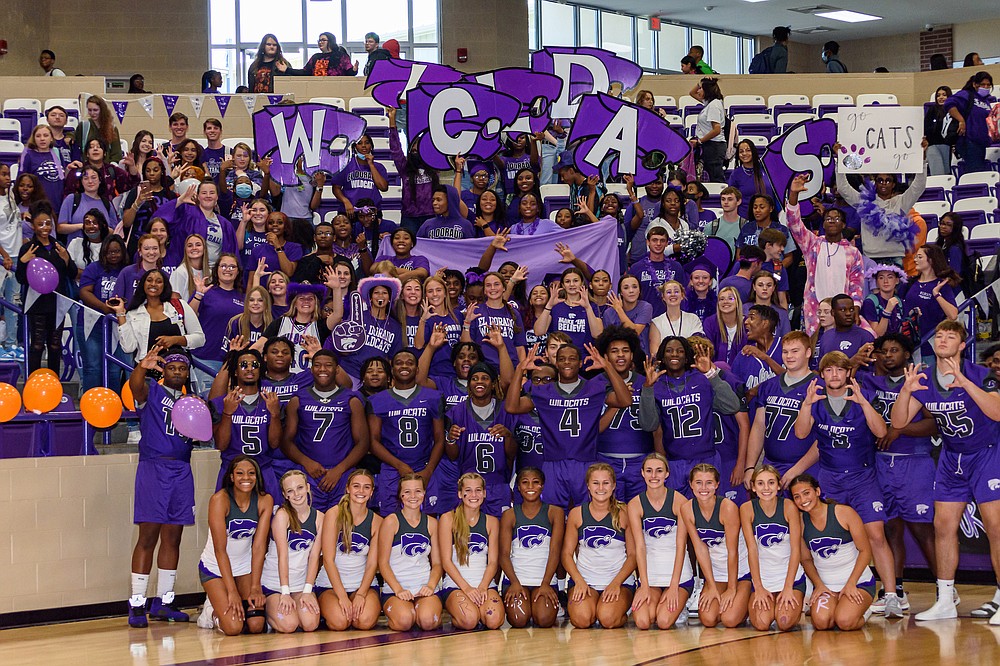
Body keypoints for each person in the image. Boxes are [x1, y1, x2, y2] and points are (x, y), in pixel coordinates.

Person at [891, 320, 1000, 623]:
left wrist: (965, 383)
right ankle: (945, 599)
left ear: (962, 345)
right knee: (943, 526)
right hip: (953, 457)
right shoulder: (923, 378)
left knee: (996, 526)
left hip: (987, 453)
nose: (942, 339)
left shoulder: (981, 374)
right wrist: (906, 391)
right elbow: (898, 423)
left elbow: (997, 412)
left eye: (950, 336)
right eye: (938, 335)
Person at [792, 351, 903, 617]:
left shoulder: (862, 398)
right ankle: (823, 589)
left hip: (862, 476)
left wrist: (864, 403)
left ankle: (890, 596)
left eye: (840, 371)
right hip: (831, 477)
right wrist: (806, 405)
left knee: (875, 533)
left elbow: (881, 432)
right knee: (825, 534)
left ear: (847, 374)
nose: (834, 375)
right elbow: (801, 433)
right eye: (829, 371)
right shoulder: (815, 401)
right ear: (822, 374)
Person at [860, 333, 939, 613]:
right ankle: (897, 590)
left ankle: (945, 590)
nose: (888, 355)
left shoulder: (920, 381)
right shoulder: (869, 380)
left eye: (895, 350)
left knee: (922, 529)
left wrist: (899, 429)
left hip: (913, 460)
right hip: (880, 463)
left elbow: (934, 425)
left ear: (908, 354)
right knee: (890, 528)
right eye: (883, 351)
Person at [506, 343, 632, 511]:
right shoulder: (543, 391)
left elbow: (625, 401)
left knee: (589, 513)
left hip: (586, 462)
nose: (567, 363)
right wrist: (520, 370)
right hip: (553, 463)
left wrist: (608, 367)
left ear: (580, 363)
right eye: (562, 359)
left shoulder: (594, 387)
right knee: (554, 515)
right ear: (556, 363)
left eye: (572, 359)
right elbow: (512, 407)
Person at [126, 345, 198, 627]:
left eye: (182, 368)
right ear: (163, 371)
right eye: (172, 368)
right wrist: (142, 366)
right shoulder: (151, 392)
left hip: (181, 469)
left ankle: (164, 602)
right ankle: (136, 603)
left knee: (173, 536)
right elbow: (135, 387)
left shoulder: (193, 401)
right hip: (154, 467)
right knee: (148, 536)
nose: (178, 372)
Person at [638, 336, 741, 494]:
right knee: (680, 513)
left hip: (706, 459)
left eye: (680, 351)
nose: (674, 354)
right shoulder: (656, 386)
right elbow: (649, 425)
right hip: (675, 462)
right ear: (662, 357)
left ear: (687, 357)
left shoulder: (702, 380)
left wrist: (711, 375)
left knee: (708, 510)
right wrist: (647, 389)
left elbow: (732, 406)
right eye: (669, 351)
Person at [196, 455, 274, 635]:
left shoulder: (264, 500)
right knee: (233, 628)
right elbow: (220, 550)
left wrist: (255, 586)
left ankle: (226, 600)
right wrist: (232, 592)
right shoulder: (219, 500)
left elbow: (259, 546)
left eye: (251, 473)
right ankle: (210, 612)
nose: (246, 478)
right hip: (215, 568)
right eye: (240, 473)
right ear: (231, 477)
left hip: (244, 568)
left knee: (256, 626)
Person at [282, 350, 369, 510]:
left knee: (342, 526)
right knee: (308, 526)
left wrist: (339, 470)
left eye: (328, 365)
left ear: (336, 369)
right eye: (317, 365)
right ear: (311, 369)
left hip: (342, 474)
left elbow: (363, 443)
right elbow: (286, 441)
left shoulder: (351, 400)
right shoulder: (297, 399)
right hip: (309, 474)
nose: (323, 369)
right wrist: (306, 462)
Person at [791, 475, 876, 631]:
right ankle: (837, 604)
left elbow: (865, 551)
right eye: (797, 497)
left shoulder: (844, 513)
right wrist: (819, 585)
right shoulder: (801, 522)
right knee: (821, 623)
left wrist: (851, 584)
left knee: (844, 622)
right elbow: (806, 560)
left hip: (857, 582)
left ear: (817, 491)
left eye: (806, 493)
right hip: (827, 586)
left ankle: (864, 613)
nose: (803, 499)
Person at [369, 349, 445, 514]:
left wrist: (429, 470)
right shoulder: (376, 400)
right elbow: (373, 442)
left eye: (410, 363)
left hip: (424, 466)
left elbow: (440, 439)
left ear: (417, 369)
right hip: (392, 469)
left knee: (428, 522)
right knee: (389, 522)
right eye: (399, 363)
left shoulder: (434, 397)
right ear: (392, 368)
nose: (404, 366)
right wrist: (399, 465)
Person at [785, 175, 864, 334]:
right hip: (815, 308)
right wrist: (793, 195)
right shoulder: (812, 244)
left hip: (842, 310)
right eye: (828, 218)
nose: (832, 221)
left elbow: (856, 284)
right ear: (823, 223)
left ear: (843, 225)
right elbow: (794, 224)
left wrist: (855, 307)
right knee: (816, 350)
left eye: (837, 219)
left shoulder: (853, 252)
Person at [563, 463, 636, 628]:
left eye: (606, 483)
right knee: (581, 620)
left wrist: (616, 583)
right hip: (585, 580)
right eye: (596, 483)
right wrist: (579, 581)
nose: (601, 487)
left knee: (608, 619)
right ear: (588, 485)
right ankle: (595, 605)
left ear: (614, 485)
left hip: (618, 581)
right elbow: (566, 554)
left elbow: (633, 555)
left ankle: (621, 609)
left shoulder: (624, 512)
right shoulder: (577, 514)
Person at [627, 453, 694, 629]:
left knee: (664, 622)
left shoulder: (680, 501)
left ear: (667, 474)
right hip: (651, 575)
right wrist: (644, 585)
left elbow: (681, 546)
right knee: (642, 621)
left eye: (659, 471)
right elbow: (640, 547)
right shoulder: (635, 504)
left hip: (678, 575)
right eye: (649, 471)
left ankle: (681, 605)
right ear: (642, 473)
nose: (654, 476)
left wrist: (673, 587)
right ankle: (657, 602)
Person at [744, 331, 818, 488]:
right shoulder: (769, 385)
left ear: (808, 352)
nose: (789, 356)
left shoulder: (819, 388)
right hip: (771, 466)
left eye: (795, 351)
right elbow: (758, 426)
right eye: (785, 351)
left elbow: (822, 440)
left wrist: (796, 470)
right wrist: (750, 467)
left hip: (805, 469)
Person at [682, 463, 751, 628]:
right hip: (717, 573)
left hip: (740, 571)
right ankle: (728, 599)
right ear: (691, 484)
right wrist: (711, 585)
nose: (703, 487)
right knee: (708, 619)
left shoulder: (727, 507)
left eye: (709, 482)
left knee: (730, 619)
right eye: (698, 482)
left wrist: (732, 588)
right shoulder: (687, 509)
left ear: (717, 484)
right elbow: (700, 549)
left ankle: (745, 604)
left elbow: (732, 551)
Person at [208, 347, 283, 498]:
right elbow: (221, 445)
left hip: (263, 471)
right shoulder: (221, 403)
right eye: (244, 365)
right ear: (235, 371)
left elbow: (274, 444)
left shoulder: (272, 402)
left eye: (255, 365)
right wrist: (227, 413)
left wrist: (274, 414)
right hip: (232, 471)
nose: (249, 369)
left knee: (269, 520)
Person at [444, 363, 516, 516]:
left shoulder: (506, 410)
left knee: (499, 533)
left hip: (498, 484)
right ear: (469, 384)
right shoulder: (457, 411)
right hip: (470, 486)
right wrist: (450, 439)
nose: (479, 382)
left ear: (493, 384)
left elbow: (512, 454)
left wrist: (508, 436)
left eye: (485, 378)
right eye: (475, 379)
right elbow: (452, 455)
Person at [741, 465, 805, 632]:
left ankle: (794, 603)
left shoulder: (789, 506)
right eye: (760, 483)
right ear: (753, 487)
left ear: (778, 485)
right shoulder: (747, 509)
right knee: (761, 624)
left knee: (784, 622)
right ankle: (768, 604)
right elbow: (752, 550)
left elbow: (796, 550)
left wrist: (788, 587)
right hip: (764, 578)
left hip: (790, 577)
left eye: (771, 482)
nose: (766, 488)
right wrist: (759, 587)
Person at [317, 469, 383, 631]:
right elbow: (328, 559)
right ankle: (326, 612)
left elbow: (372, 564)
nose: (361, 491)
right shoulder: (334, 514)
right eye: (356, 486)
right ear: (348, 488)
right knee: (340, 622)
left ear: (372, 492)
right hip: (330, 585)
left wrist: (361, 594)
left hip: (362, 585)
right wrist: (342, 597)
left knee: (365, 622)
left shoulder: (377, 521)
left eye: (366, 487)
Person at [437, 473, 505, 630]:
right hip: (457, 585)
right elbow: (446, 561)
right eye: (468, 490)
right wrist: (466, 588)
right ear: (460, 494)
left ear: (484, 493)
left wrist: (482, 587)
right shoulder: (448, 519)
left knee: (494, 621)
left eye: (478, 490)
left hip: (484, 584)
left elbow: (493, 562)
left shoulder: (492, 521)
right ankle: (459, 614)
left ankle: (479, 611)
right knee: (469, 620)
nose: (474, 495)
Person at [377, 473, 444, 631]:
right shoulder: (391, 521)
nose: (413, 496)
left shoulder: (432, 523)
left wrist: (431, 585)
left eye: (418, 491)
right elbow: (382, 563)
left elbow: (437, 563)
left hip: (423, 587)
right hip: (396, 589)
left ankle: (426, 612)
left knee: (428, 621)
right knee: (405, 621)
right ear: (400, 495)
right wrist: (398, 589)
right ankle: (406, 612)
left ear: (424, 493)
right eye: (407, 492)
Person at [499, 466, 564, 628]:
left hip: (544, 580)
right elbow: (504, 554)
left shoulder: (555, 512)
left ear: (542, 485)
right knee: (518, 619)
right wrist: (514, 582)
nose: (530, 487)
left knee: (544, 619)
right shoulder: (509, 515)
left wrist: (546, 583)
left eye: (535, 482)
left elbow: (555, 551)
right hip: (516, 580)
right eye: (525, 482)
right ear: (519, 487)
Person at [260, 470, 324, 633]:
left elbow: (314, 557)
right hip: (276, 584)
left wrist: (308, 591)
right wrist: (285, 592)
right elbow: (283, 556)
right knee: (289, 625)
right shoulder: (282, 516)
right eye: (290, 491)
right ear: (285, 495)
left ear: (308, 488)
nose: (296, 494)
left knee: (310, 624)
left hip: (300, 584)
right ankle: (268, 614)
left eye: (300, 488)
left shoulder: (320, 518)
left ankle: (292, 607)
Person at [15, 202, 73, 375]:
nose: (45, 227)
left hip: (57, 302)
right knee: (37, 344)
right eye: (40, 224)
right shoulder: (28, 248)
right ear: (33, 226)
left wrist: (66, 259)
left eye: (48, 223)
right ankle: (33, 380)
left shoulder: (59, 247)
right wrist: (23, 262)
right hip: (37, 303)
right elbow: (21, 278)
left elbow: (70, 273)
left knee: (55, 344)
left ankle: (55, 381)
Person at [114, 267, 204, 363]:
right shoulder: (133, 314)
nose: (153, 284)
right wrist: (120, 313)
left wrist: (176, 340)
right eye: (149, 280)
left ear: (165, 286)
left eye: (158, 281)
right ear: (143, 285)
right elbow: (128, 348)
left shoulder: (179, 305)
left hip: (178, 370)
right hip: (147, 372)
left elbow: (200, 338)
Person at [159, 181, 238, 270]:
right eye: (204, 193)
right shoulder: (186, 213)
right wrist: (179, 201)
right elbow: (159, 219)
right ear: (198, 196)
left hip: (215, 273)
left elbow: (233, 253)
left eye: (212, 193)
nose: (208, 196)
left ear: (217, 197)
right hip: (188, 270)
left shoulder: (225, 225)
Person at [903, 244, 959, 358]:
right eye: (915, 257)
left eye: (919, 257)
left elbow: (953, 315)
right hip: (907, 343)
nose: (915, 260)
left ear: (931, 260)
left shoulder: (942, 285)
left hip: (929, 344)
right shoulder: (909, 283)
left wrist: (936, 294)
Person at [945, 71, 997, 173]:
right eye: (982, 84)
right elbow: (949, 104)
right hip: (969, 140)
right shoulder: (967, 95)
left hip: (981, 142)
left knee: (979, 170)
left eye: (988, 85)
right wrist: (961, 120)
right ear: (975, 84)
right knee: (976, 171)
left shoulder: (986, 101)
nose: (985, 87)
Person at [688, 78, 727, 183]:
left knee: (715, 177)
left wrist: (700, 141)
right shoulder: (709, 103)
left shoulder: (714, 106)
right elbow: (691, 93)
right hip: (709, 145)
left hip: (714, 146)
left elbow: (716, 130)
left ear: (707, 90)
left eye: (701, 88)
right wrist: (700, 81)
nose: (698, 91)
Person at [18, 124, 65, 208]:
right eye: (38, 136)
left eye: (46, 135)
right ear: (34, 138)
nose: (42, 139)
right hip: (37, 205)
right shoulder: (28, 155)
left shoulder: (56, 152)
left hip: (58, 203)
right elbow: (21, 180)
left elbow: (62, 177)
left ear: (51, 138)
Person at [648, 281, 703, 352]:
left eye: (676, 292)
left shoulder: (693, 319)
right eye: (668, 292)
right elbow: (655, 353)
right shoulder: (656, 322)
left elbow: (698, 346)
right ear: (663, 297)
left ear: (682, 295)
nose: (673, 294)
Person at [817, 293, 874, 362]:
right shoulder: (826, 337)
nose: (848, 313)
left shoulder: (865, 337)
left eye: (851, 309)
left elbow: (870, 367)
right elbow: (820, 368)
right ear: (833, 312)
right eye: (843, 310)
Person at [728, 140, 774, 219]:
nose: (744, 153)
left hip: (769, 217)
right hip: (746, 218)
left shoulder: (766, 168)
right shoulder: (736, 174)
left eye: (748, 150)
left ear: (754, 151)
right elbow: (732, 198)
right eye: (741, 151)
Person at [73, 95, 124, 165]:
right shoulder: (83, 126)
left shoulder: (112, 128)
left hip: (106, 168)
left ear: (102, 110)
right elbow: (75, 142)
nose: (92, 113)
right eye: (89, 110)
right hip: (88, 167)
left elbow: (116, 153)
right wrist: (69, 136)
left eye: (95, 110)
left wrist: (111, 167)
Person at [924, 86, 955, 176]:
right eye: (938, 95)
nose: (941, 97)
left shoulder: (953, 111)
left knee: (946, 174)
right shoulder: (932, 110)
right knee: (937, 173)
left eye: (944, 95)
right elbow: (926, 128)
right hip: (933, 145)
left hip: (947, 146)